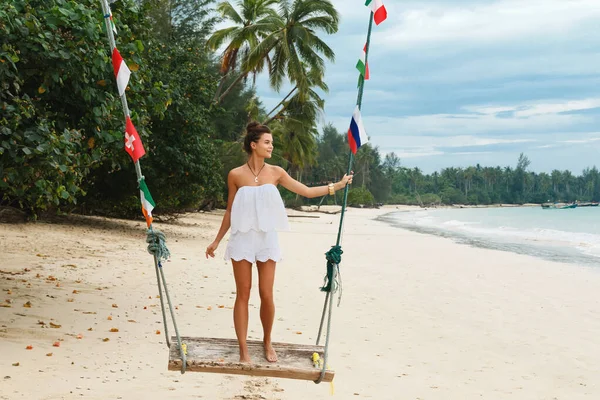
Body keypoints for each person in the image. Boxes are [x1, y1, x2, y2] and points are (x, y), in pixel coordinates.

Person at [205, 121, 353, 363]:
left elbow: (305, 191)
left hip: (266, 239)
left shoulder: (276, 172)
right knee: (243, 294)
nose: (271, 146)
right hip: (242, 238)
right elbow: (230, 210)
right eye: (267, 142)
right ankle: (243, 350)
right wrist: (216, 241)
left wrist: (335, 186)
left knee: (266, 293)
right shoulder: (235, 175)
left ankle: (266, 341)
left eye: (271, 142)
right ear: (253, 145)